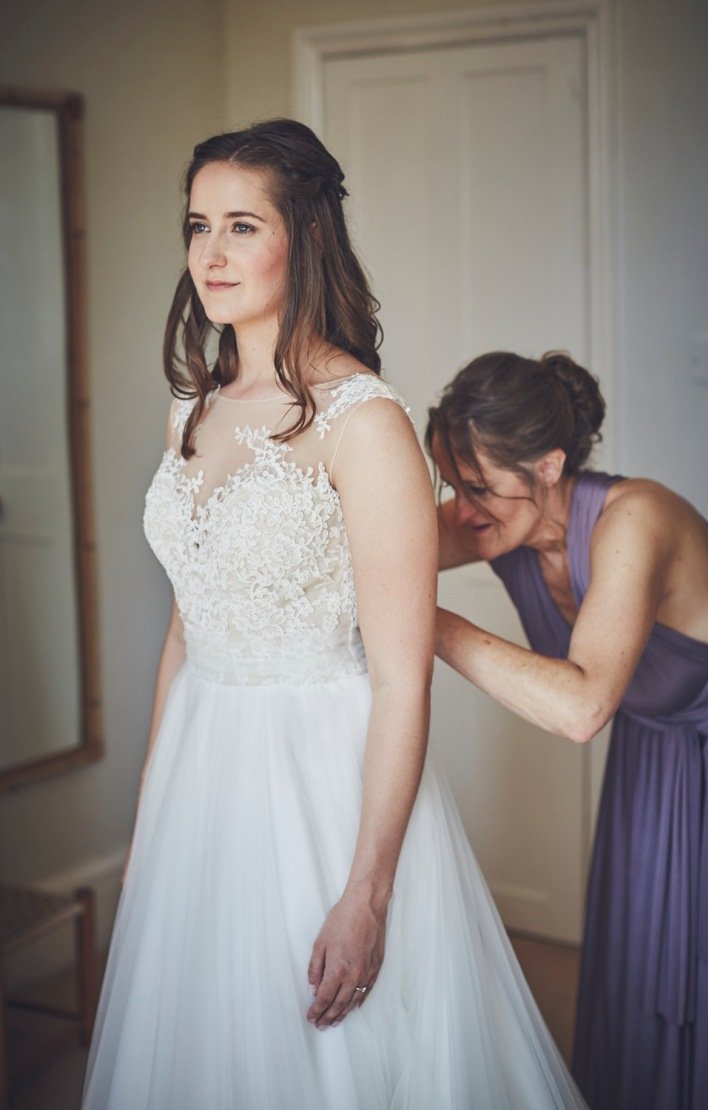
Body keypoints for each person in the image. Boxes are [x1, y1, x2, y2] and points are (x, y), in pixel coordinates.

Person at [81, 123, 585, 1109]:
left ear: (304, 236)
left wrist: (367, 892)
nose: (210, 255)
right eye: (196, 227)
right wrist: (149, 815)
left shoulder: (366, 423)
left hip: (315, 774)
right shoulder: (188, 403)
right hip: (201, 770)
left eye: (239, 225)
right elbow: (187, 627)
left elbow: (399, 676)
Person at [426, 348, 708, 1110]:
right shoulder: (502, 521)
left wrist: (422, 621)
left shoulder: (636, 519)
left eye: (478, 487)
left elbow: (581, 708)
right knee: (637, 961)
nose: (461, 509)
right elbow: (375, 551)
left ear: (549, 466)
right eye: (450, 483)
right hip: (653, 758)